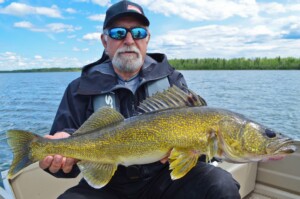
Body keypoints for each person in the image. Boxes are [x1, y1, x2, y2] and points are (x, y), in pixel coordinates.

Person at [39, 1, 241, 198]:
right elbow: (64, 163)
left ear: (147, 39)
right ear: (104, 41)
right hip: (109, 185)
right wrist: (57, 155)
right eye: (118, 33)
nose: (129, 41)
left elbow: (198, 143)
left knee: (221, 185)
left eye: (138, 33)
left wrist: (196, 150)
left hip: (165, 178)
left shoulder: (172, 80)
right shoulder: (78, 88)